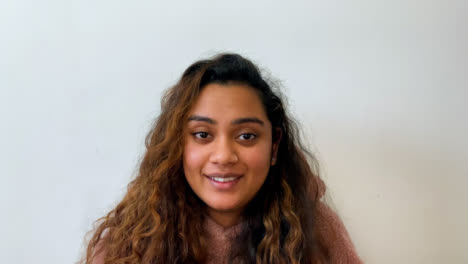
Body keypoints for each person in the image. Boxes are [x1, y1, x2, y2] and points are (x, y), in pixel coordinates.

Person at [80, 53, 362, 264]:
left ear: (274, 145)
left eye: (247, 136)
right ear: (178, 144)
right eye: (202, 134)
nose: (224, 156)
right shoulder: (131, 237)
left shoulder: (315, 227)